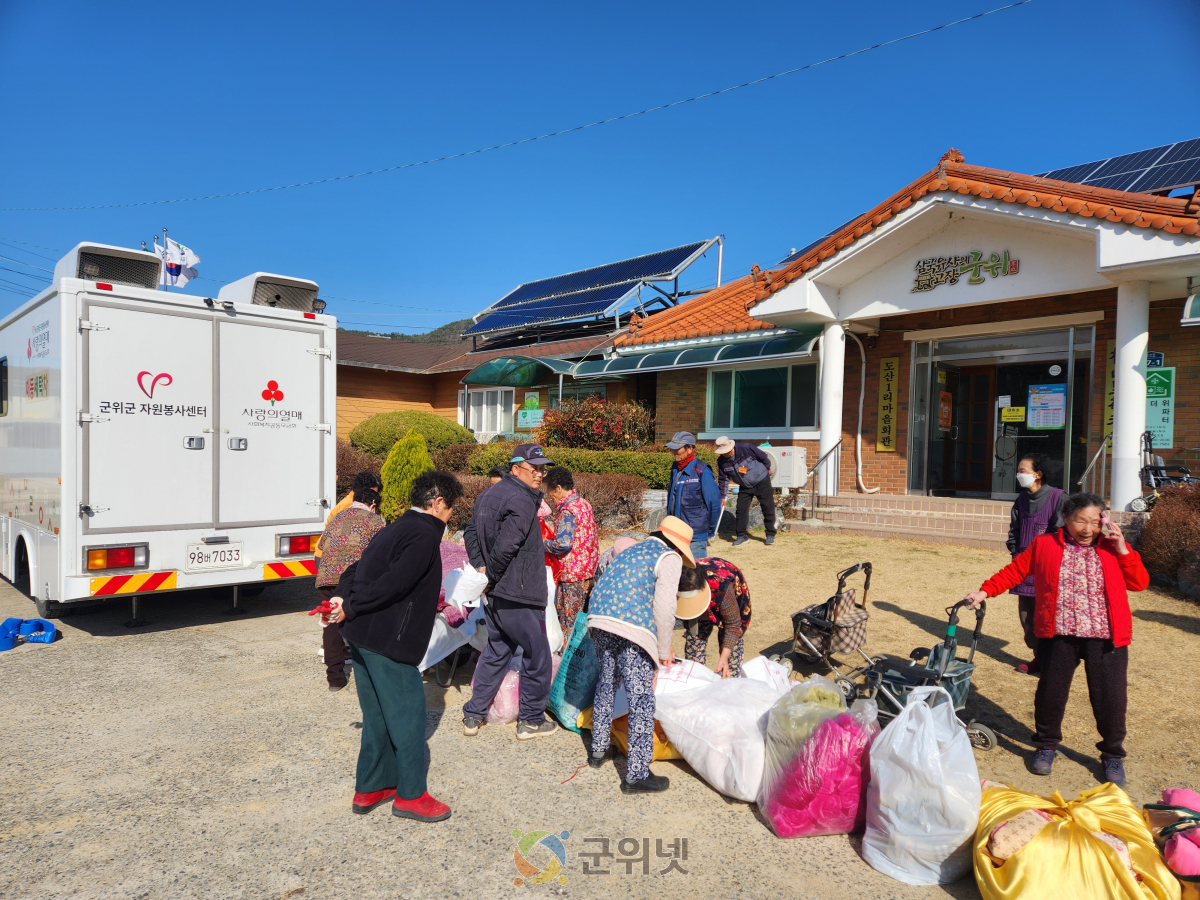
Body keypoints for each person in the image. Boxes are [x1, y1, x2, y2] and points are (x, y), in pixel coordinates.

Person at [964, 492, 1148, 788]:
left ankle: (1112, 754)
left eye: (1093, 521)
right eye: (1080, 521)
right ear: (1066, 519)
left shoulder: (1113, 548)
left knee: (1111, 698)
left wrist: (1123, 547)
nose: (1087, 529)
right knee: (1051, 693)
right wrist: (984, 591)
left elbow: (1139, 583)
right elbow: (1015, 571)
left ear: (1103, 521)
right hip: (1059, 633)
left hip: (1106, 637)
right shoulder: (1046, 544)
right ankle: (1046, 745)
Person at [326, 470, 464, 822]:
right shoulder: (422, 535)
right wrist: (351, 605)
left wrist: (344, 600)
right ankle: (411, 795)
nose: (450, 517)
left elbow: (354, 568)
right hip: (389, 642)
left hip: (363, 638)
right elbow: (394, 584)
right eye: (450, 510)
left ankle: (373, 786)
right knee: (408, 716)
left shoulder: (395, 527)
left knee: (378, 718)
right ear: (437, 503)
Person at [586, 515, 693, 794]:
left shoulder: (632, 548)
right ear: (679, 546)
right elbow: (665, 610)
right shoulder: (669, 558)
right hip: (632, 627)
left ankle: (598, 751)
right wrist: (661, 652)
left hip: (599, 620)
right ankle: (636, 774)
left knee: (606, 684)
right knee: (642, 699)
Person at [461, 443, 558, 741]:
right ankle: (530, 720)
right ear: (515, 469)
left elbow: (470, 532)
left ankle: (474, 714)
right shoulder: (522, 499)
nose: (540, 474)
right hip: (518, 590)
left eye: (542, 469)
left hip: (496, 592)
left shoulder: (487, 495)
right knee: (537, 654)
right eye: (534, 469)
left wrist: (481, 570)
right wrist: (488, 574)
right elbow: (508, 544)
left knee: (497, 649)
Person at [314, 472, 385, 691]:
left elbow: (324, 545)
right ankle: (370, 676)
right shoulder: (375, 520)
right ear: (372, 504)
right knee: (363, 622)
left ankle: (334, 679)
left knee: (331, 626)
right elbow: (382, 550)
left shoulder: (337, 516)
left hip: (326, 577)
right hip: (353, 578)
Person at [1006, 452, 1067, 675]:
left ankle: (1053, 663)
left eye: (1022, 471)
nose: (1018, 475)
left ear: (1038, 474)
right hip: (1024, 567)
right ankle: (1039, 658)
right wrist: (1015, 552)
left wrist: (1045, 559)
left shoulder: (1059, 497)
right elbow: (1014, 530)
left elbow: (1060, 533)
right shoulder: (1021, 499)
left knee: (1049, 619)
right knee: (1027, 619)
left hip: (1048, 569)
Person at [543, 466, 599, 635]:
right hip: (587, 572)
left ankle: (566, 660)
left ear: (558, 488)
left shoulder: (568, 511)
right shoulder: (583, 504)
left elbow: (563, 544)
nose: (550, 496)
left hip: (571, 576)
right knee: (581, 621)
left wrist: (541, 543)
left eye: (550, 491)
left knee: (568, 623)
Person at [677, 557, 752, 678]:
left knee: (730, 662)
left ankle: (729, 685)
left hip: (724, 599)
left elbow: (733, 624)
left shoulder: (722, 588)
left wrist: (724, 657)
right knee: (694, 648)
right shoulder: (676, 580)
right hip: (703, 596)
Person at [665, 431, 722, 561]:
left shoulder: (703, 471)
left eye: (677, 448)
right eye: (672, 448)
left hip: (695, 536)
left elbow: (714, 503)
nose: (673, 452)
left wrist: (710, 531)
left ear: (690, 449)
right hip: (675, 533)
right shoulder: (675, 468)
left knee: (695, 576)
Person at [714, 436, 777, 547]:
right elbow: (724, 479)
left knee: (767, 507)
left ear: (731, 447)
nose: (723, 454)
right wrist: (722, 496)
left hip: (761, 480)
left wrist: (767, 467)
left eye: (725, 452)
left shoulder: (746, 448)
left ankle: (770, 534)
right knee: (741, 509)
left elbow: (763, 457)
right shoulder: (722, 461)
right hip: (744, 486)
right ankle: (742, 536)